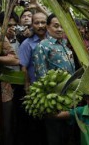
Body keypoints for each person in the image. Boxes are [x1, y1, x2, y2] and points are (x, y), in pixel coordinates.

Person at [33, 13, 75, 145]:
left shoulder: (65, 46)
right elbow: (41, 75)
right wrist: (52, 99)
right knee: (55, 136)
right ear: (47, 27)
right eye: (56, 26)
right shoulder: (43, 46)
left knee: (68, 136)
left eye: (62, 26)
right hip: (54, 99)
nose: (60, 29)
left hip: (69, 98)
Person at [18, 12, 48, 145]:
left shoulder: (53, 40)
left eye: (43, 22)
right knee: (37, 127)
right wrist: (27, 87)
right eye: (37, 23)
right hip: (36, 91)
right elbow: (23, 67)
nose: (40, 26)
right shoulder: (27, 44)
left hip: (54, 89)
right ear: (32, 25)